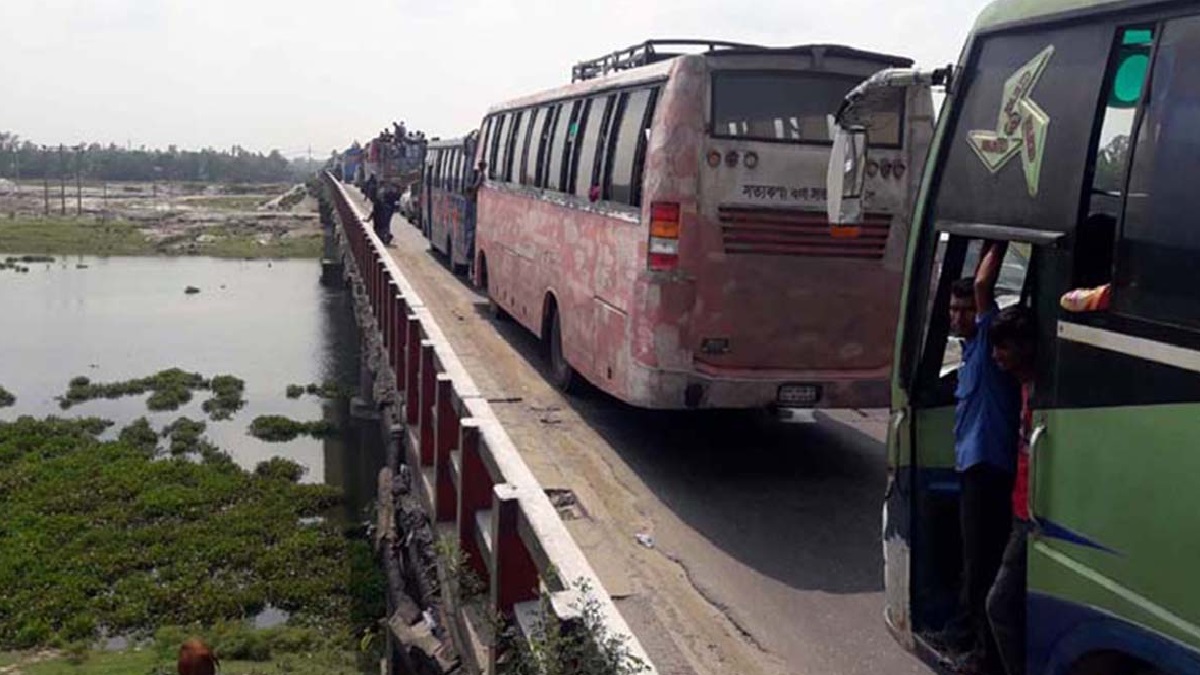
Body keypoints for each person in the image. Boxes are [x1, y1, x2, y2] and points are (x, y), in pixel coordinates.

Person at [938, 240, 1022, 673]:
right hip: (972, 468)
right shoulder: (971, 352)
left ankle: (979, 653)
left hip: (989, 471)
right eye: (952, 310)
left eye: (965, 310)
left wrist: (996, 231)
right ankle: (959, 634)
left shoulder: (990, 347)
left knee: (982, 568)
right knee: (972, 562)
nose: (958, 317)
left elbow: (986, 282)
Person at [987, 305, 1037, 675]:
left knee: (999, 606)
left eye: (1003, 348)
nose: (996, 357)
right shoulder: (1023, 387)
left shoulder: (1044, 395)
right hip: (1020, 509)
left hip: (1033, 518)